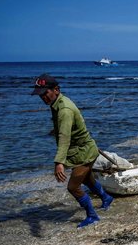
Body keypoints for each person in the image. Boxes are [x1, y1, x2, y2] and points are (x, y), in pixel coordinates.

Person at [31, 74, 113, 228]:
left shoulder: (64, 110)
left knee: (73, 187)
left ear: (56, 89)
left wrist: (59, 162)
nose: (43, 97)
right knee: (87, 179)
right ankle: (106, 198)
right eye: (40, 95)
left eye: (45, 93)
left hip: (84, 152)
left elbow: (64, 137)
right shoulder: (57, 103)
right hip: (82, 150)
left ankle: (92, 216)